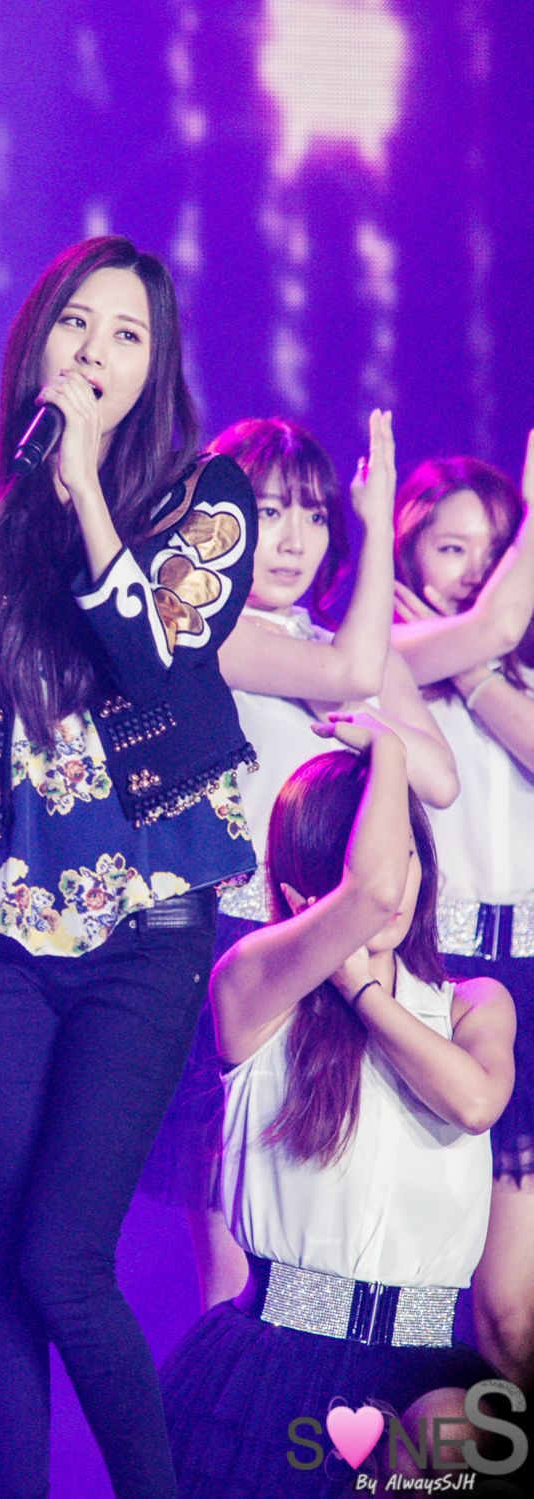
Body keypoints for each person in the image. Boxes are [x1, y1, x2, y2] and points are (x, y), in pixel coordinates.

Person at [0, 235, 259, 1498]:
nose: (95, 351)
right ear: (36, 339)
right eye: (76, 324)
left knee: (64, 1259)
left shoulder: (205, 506)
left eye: (126, 335)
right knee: (3, 1265)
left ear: (155, 368)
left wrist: (89, 494)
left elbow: (152, 665)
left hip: (144, 931)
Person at [139, 414, 458, 1313]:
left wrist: (373, 724)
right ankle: (229, 1400)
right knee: (236, 1254)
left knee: (325, 1222)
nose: (291, 539)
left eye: (315, 515)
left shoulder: (335, 648)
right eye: (269, 509)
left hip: (348, 945)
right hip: (239, 941)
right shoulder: (198, 633)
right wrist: (376, 532)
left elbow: (437, 778)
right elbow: (353, 671)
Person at [160, 714, 515, 1496]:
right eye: (367, 857)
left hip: (424, 1367)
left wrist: (362, 992)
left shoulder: (470, 1002)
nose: (393, 881)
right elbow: (369, 895)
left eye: (408, 854)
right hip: (277, 1362)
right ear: (309, 875)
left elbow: (475, 1100)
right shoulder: (250, 985)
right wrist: (390, 749)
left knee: (458, 1447)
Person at [391, 433, 534, 1390]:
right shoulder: (384, 653)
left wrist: (481, 681)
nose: (476, 573)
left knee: (511, 1312)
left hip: (523, 984)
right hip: (429, 981)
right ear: (405, 549)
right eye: (451, 547)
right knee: (425, 1300)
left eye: (496, 550)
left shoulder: (512, 669)